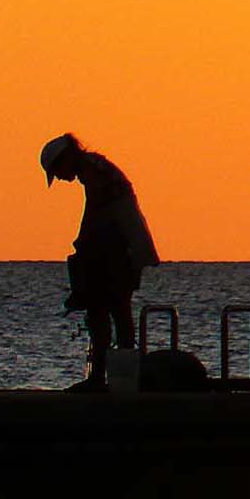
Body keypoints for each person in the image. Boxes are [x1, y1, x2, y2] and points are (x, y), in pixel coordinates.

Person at [41, 133, 160, 392]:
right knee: (116, 314)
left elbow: (97, 220)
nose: (60, 178)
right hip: (125, 252)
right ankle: (121, 380)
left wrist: (83, 251)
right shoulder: (98, 170)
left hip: (120, 255)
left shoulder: (96, 176)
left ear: (66, 159)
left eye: (57, 171)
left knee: (108, 313)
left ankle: (108, 380)